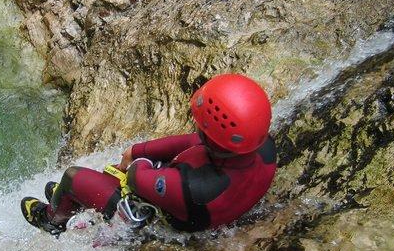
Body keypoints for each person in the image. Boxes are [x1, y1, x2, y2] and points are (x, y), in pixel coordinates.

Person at [21, 73, 277, 236]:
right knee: (99, 178)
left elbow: (136, 178)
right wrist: (138, 150)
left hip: (152, 225)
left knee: (73, 177)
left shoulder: (189, 186)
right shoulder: (262, 147)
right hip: (198, 205)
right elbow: (193, 141)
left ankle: (53, 220)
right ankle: (70, 200)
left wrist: (140, 160)